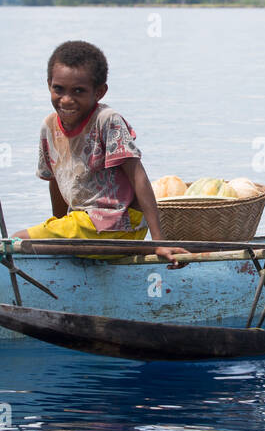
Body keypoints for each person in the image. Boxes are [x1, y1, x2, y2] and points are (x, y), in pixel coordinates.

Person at [15, 40, 187, 266]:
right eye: (59, 89)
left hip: (119, 224)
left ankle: (138, 245)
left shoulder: (107, 121)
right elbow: (55, 180)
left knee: (15, 242)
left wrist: (159, 241)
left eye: (78, 91)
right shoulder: (49, 127)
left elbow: (138, 176)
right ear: (49, 85)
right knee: (31, 243)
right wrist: (58, 226)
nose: (66, 99)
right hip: (85, 226)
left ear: (100, 92)